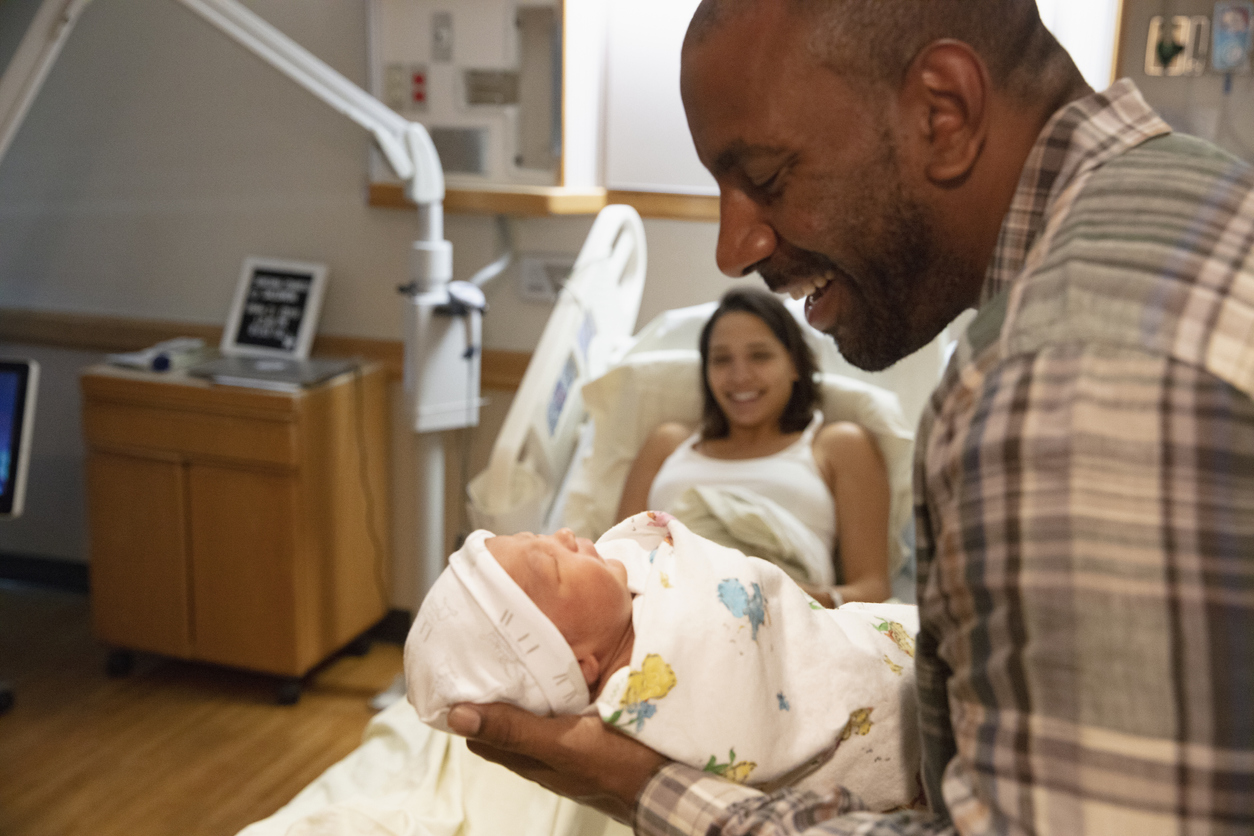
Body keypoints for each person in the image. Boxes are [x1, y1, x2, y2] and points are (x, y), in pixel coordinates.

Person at [443, 0, 1254, 832]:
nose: (733, 249)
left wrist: (640, 787)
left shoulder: (1058, 386)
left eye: (766, 179)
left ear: (945, 112)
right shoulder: (1190, 190)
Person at [405, 515, 921, 813]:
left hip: (871, 643)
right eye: (551, 564)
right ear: (580, 664)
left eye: (538, 536)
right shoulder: (638, 704)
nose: (563, 534)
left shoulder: (648, 579)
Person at [617, 287, 894, 606]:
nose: (740, 376)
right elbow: (616, 560)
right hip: (662, 607)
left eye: (759, 355)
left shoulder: (838, 446)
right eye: (721, 360)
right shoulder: (667, 444)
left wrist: (780, 597)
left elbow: (871, 589)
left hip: (782, 609)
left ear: (794, 365)